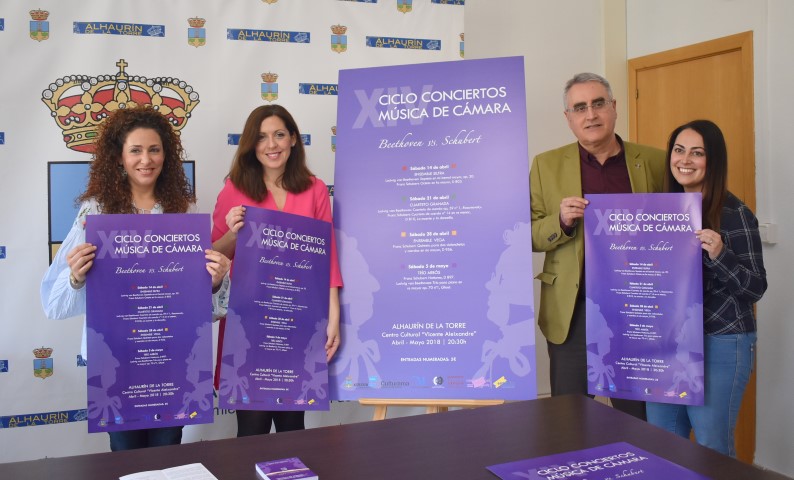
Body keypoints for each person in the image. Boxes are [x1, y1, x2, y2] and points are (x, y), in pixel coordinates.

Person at [41, 105, 231, 451]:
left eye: (154, 149)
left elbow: (205, 309)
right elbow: (53, 306)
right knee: (125, 456)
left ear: (166, 155)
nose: (146, 159)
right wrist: (76, 277)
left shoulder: (183, 211)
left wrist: (215, 281)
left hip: (172, 356)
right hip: (115, 360)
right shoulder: (95, 212)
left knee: (167, 453)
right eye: (136, 150)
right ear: (119, 157)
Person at [530, 72, 666, 419]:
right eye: (580, 107)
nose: (590, 115)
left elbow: (674, 227)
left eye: (598, 103)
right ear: (568, 118)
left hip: (637, 308)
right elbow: (527, 235)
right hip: (574, 310)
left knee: (638, 418)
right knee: (568, 419)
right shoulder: (545, 165)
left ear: (614, 107)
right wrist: (560, 221)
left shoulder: (654, 161)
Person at [212, 104, 343, 437]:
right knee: (252, 430)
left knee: (293, 428)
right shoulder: (234, 190)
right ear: (250, 144)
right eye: (261, 137)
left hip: (299, 320)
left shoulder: (315, 189)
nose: (271, 145)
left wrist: (333, 316)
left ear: (294, 139)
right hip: (248, 324)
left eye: (279, 135)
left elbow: (327, 256)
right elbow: (213, 257)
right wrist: (233, 234)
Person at [646, 119, 766, 456]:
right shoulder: (659, 212)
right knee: (663, 443)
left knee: (712, 448)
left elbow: (756, 287)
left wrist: (720, 254)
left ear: (712, 161)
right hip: (669, 341)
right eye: (679, 150)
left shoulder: (734, 213)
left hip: (721, 341)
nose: (685, 160)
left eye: (697, 153)